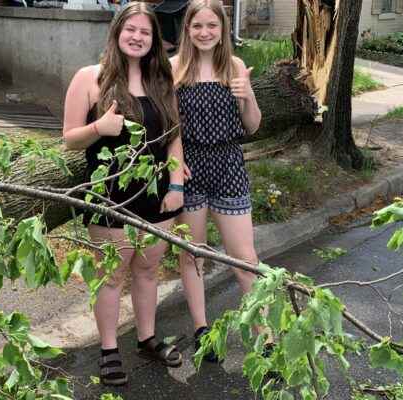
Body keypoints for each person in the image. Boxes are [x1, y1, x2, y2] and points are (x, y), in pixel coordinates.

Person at [61, 1, 187, 386]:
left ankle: (147, 338)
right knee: (111, 277)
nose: (137, 37)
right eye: (130, 29)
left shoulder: (161, 83)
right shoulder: (90, 78)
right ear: (117, 32)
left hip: (158, 196)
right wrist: (99, 127)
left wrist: (177, 185)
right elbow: (69, 139)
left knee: (148, 270)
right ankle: (109, 350)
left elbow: (173, 138)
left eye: (145, 32)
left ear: (154, 41)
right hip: (110, 196)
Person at [170, 0, 262, 363]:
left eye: (212, 26)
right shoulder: (174, 69)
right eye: (197, 26)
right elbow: (167, 125)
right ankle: (201, 330)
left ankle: (263, 335)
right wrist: (174, 164)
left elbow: (253, 126)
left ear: (223, 29)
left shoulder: (234, 66)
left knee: (245, 257)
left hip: (229, 165)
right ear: (187, 30)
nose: (205, 33)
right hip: (191, 169)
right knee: (193, 254)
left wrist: (248, 95)